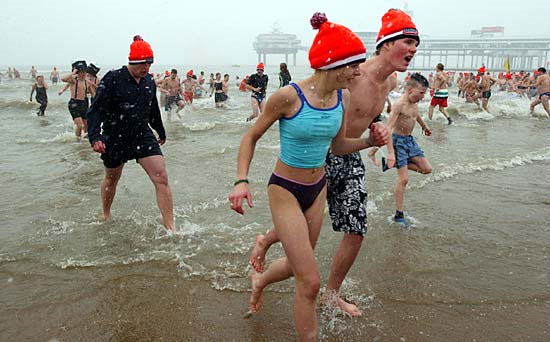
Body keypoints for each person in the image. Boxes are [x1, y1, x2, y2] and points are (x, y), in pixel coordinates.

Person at [247, 8, 419, 318]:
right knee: (300, 225)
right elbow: (317, 93)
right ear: (386, 44)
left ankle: (331, 294)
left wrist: (378, 131)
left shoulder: (392, 82)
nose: (413, 50)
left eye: (416, 44)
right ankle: (266, 240)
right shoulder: (352, 74)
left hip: (349, 154)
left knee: (356, 228)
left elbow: (368, 115)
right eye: (407, 42)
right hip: (319, 153)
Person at [228, 13, 387, 341]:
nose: (359, 71)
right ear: (336, 64)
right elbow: (250, 137)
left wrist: (370, 141)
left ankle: (259, 281)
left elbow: (340, 145)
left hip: (317, 189)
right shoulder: (288, 96)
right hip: (285, 189)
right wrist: (241, 180)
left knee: (296, 266)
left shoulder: (341, 97)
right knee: (311, 283)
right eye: (354, 64)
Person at [87, 35, 175, 231]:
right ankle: (106, 214)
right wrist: (95, 137)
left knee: (161, 176)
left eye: (150, 64)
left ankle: (171, 228)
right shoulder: (113, 79)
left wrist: (160, 131)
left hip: (142, 134)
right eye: (144, 64)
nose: (147, 69)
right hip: (114, 135)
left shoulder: (149, 82)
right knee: (111, 179)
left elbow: (152, 110)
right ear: (133, 61)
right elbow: (96, 109)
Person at [384, 73, 432, 227]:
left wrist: (424, 126)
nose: (422, 97)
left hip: (410, 141)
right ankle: (398, 215)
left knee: (427, 169)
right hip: (398, 142)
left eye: (424, 93)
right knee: (403, 179)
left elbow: (415, 115)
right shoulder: (399, 104)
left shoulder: (414, 103)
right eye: (421, 93)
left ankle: (393, 163)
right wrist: (391, 152)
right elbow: (388, 128)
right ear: (410, 89)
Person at [61, 60, 94, 140]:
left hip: (84, 103)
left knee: (86, 126)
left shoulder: (87, 82)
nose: (83, 74)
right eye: (81, 72)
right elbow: (63, 79)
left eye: (84, 72)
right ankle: (78, 142)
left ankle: (84, 141)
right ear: (78, 72)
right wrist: (73, 72)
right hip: (74, 103)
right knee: (80, 125)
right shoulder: (73, 80)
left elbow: (94, 94)